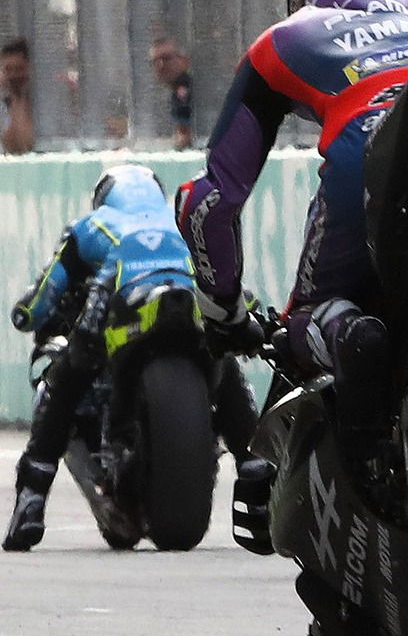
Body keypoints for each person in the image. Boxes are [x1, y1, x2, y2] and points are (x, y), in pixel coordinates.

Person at [175, 0, 408, 453]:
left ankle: (349, 337)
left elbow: (210, 201)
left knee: (305, 319)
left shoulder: (287, 37)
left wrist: (224, 312)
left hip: (368, 151)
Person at [5, 165, 260, 551]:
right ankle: (258, 478)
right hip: (194, 307)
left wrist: (25, 313)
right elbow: (228, 280)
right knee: (226, 370)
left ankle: (32, 500)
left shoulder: (91, 226)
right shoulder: (183, 222)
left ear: (105, 195)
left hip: (124, 309)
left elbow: (43, 297)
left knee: (66, 379)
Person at [149, 37, 194, 149]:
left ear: (184, 61)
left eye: (166, 59)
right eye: (156, 61)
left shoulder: (188, 91)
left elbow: (184, 137)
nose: (161, 66)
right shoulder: (162, 96)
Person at [1, 37, 31, 154]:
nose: (13, 75)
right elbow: (11, 146)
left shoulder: (41, 102)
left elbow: (25, 144)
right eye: (8, 69)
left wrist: (19, 99)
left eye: (19, 69)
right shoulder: (4, 100)